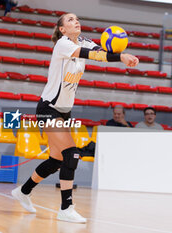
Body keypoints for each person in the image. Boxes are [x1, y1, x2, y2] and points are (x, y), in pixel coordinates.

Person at [11, 13, 139, 223]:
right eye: (70, 20)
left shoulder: (86, 41)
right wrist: (120, 58)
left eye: (76, 19)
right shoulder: (62, 44)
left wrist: (124, 54)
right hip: (48, 108)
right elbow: (92, 56)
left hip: (63, 110)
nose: (75, 21)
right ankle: (65, 208)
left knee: (57, 160)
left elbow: (101, 51)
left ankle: (23, 191)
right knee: (72, 154)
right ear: (62, 29)